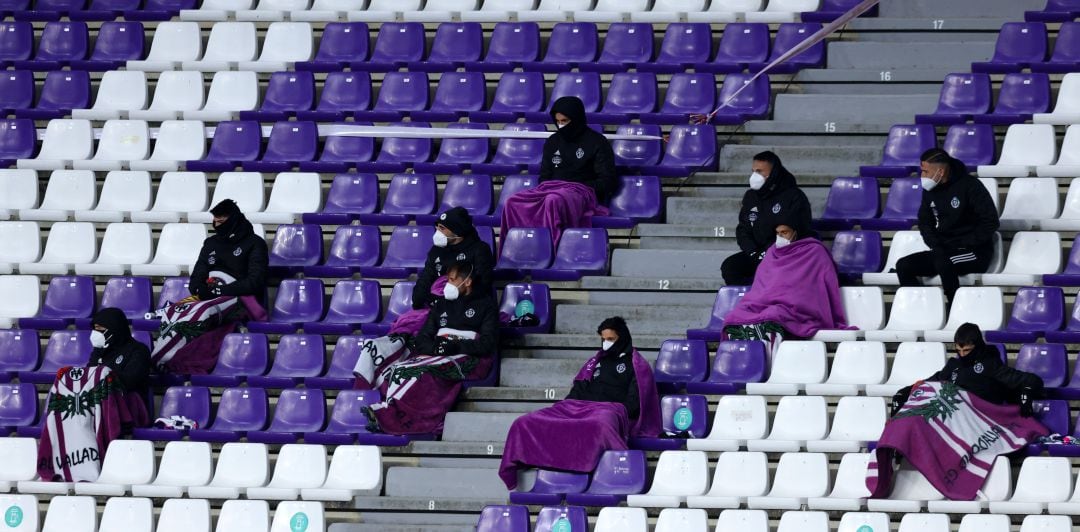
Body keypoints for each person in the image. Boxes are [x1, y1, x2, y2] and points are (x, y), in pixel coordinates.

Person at [867, 323, 1047, 501]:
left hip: (969, 419)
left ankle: (904, 443)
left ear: (977, 347)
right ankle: (895, 449)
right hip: (944, 409)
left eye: (967, 351)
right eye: (958, 350)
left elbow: (1031, 380)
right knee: (908, 412)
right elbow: (930, 383)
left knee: (916, 421)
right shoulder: (953, 366)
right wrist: (906, 392)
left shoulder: (991, 365)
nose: (962, 355)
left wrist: (1026, 392)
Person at [498, 317, 661, 490]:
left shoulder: (636, 365)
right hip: (578, 406)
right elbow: (577, 390)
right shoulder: (595, 362)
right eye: (603, 339)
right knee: (524, 422)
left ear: (623, 338)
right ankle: (523, 465)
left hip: (608, 409)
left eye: (610, 339)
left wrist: (613, 410)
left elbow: (634, 404)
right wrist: (566, 407)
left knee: (601, 424)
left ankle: (611, 472)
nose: (606, 343)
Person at [356, 261, 498, 435]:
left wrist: (453, 346)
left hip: (469, 356)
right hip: (438, 351)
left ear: (467, 282)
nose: (448, 285)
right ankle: (388, 414)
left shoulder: (486, 306)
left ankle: (391, 418)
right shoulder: (442, 305)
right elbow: (423, 338)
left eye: (452, 280)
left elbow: (487, 344)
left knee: (418, 371)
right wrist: (438, 348)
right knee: (399, 369)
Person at [150, 199, 268, 374]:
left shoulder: (255, 243)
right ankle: (159, 359)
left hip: (237, 297)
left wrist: (221, 290)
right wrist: (199, 288)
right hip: (209, 294)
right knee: (173, 312)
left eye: (221, 221)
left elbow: (255, 281)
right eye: (215, 220)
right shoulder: (211, 243)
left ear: (233, 219)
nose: (216, 224)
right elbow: (198, 275)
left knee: (200, 313)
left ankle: (161, 362)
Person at [37, 308, 152, 482]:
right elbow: (89, 377)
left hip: (128, 405)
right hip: (97, 404)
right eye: (95, 329)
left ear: (115, 328)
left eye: (101, 329)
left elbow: (131, 380)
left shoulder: (138, 351)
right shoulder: (99, 351)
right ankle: (69, 463)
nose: (96, 334)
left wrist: (107, 374)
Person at [721, 219, 851, 354]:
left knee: (773, 315)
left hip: (798, 309)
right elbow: (762, 285)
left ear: (796, 232)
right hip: (764, 304)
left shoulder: (815, 252)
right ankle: (742, 368)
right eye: (777, 233)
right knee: (733, 317)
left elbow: (814, 289)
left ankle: (770, 368)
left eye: (784, 232)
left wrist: (785, 300)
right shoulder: (772, 252)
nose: (780, 237)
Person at [500, 96, 616, 245]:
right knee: (512, 202)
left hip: (583, 192)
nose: (561, 126)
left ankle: (549, 251)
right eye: (558, 122)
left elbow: (608, 181)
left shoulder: (597, 142)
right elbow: (544, 177)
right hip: (552, 190)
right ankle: (517, 251)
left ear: (577, 118)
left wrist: (577, 186)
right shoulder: (553, 141)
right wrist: (557, 187)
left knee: (552, 201)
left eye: (565, 121)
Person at [895, 148, 1000, 306]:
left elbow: (991, 222)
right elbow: (925, 222)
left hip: (975, 252)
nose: (922, 176)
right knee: (903, 265)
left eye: (925, 172)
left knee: (944, 262)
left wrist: (964, 243)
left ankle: (954, 309)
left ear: (941, 171)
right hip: (944, 250)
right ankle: (920, 309)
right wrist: (936, 245)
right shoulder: (929, 190)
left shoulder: (971, 186)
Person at [721, 151, 813, 286]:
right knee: (730, 267)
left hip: (784, 255)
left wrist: (766, 254)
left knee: (774, 270)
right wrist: (753, 252)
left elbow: (792, 231)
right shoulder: (751, 196)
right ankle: (746, 302)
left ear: (773, 173)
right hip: (755, 254)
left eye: (759, 171)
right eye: (753, 171)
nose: (754, 176)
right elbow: (743, 229)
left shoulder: (793, 196)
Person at [413, 206, 494, 311]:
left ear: (457, 231)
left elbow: (483, 284)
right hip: (436, 307)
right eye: (437, 226)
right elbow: (425, 278)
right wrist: (418, 302)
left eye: (442, 228)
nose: (437, 231)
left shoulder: (480, 249)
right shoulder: (436, 250)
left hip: (466, 308)